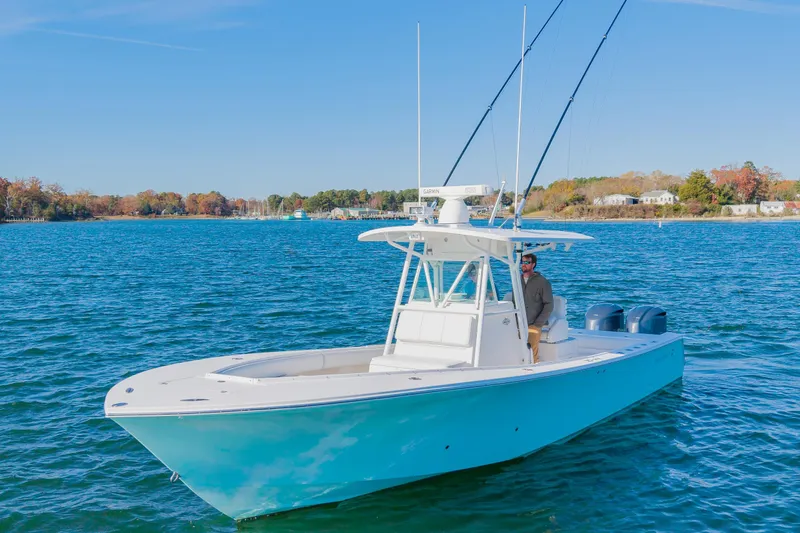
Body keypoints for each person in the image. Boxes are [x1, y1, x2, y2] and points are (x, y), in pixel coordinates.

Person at [521, 252, 553, 363]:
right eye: (522, 262)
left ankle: (533, 369)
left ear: (533, 264)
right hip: (518, 323)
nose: (524, 264)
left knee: (531, 350)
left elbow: (549, 304)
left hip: (533, 324)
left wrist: (538, 323)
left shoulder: (543, 282)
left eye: (527, 262)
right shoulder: (517, 280)